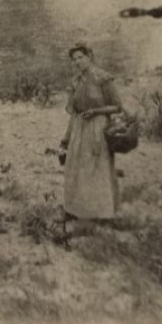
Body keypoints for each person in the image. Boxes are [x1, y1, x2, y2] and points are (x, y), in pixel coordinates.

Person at [60, 43, 124, 233]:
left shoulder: (102, 78)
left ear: (90, 56)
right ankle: (77, 211)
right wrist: (65, 139)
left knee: (99, 169)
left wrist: (96, 110)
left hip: (98, 127)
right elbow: (74, 113)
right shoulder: (75, 81)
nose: (77, 62)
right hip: (79, 130)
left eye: (81, 57)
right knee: (76, 170)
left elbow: (117, 106)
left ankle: (103, 215)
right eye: (74, 59)